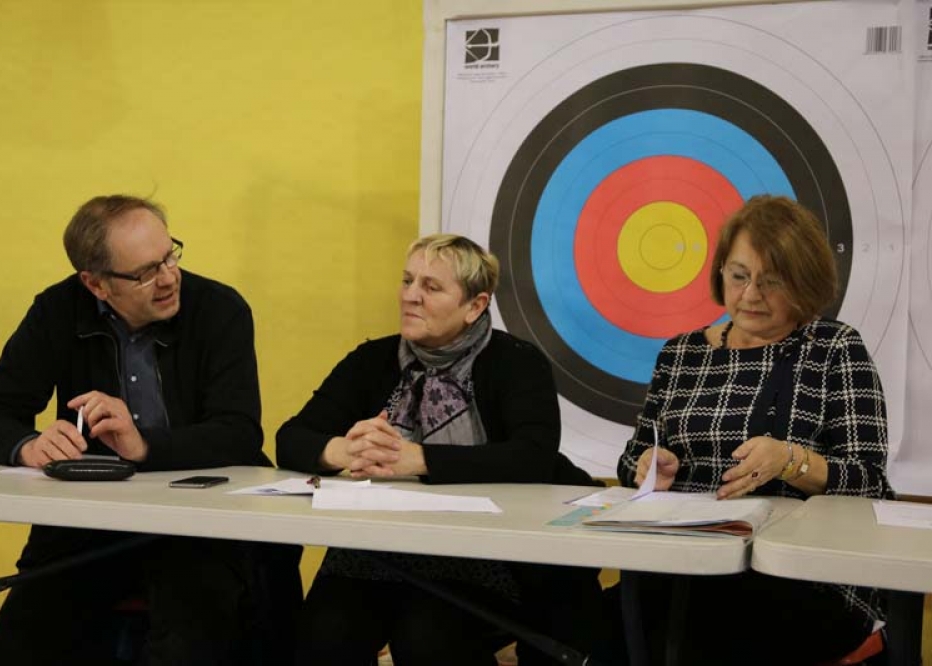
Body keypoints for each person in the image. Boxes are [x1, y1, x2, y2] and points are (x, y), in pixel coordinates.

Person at [0, 194, 302, 666]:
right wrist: (27, 445)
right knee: (16, 648)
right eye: (145, 273)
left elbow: (239, 432)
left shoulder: (219, 309)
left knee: (188, 643)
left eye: (170, 256)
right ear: (95, 284)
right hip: (93, 522)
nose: (169, 278)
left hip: (201, 523)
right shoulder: (58, 310)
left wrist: (144, 446)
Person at [277, 234, 609, 666]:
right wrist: (344, 451)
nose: (410, 296)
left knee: (429, 637)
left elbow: (532, 455)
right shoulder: (371, 360)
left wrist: (419, 459)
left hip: (481, 555)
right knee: (323, 633)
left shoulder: (516, 362)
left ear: (475, 306)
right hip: (374, 552)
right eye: (407, 281)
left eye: (431, 287)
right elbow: (290, 439)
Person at [617, 195, 893, 665]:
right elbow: (632, 459)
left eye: (772, 282)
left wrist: (791, 460)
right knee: (587, 623)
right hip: (681, 566)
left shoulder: (834, 348)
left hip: (798, 575)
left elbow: (870, 481)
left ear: (804, 282)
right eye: (739, 276)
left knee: (697, 634)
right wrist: (647, 467)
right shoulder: (681, 353)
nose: (750, 295)